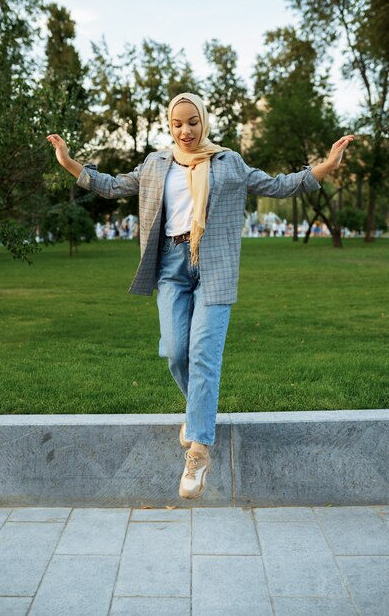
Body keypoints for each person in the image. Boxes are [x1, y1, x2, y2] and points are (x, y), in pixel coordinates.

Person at [46, 92, 354, 499]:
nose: (185, 131)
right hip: (172, 266)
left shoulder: (228, 162)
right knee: (176, 352)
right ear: (169, 126)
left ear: (203, 122)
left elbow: (280, 186)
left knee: (204, 353)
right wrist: (70, 163)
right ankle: (197, 416)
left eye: (192, 122)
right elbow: (113, 186)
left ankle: (199, 451)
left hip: (214, 266)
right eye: (177, 124)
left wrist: (325, 167)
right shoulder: (156, 164)